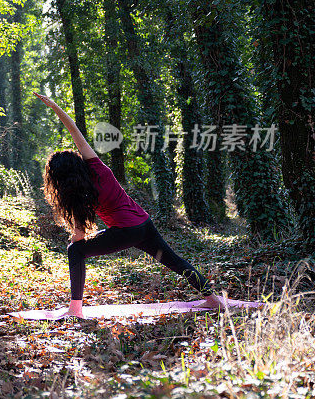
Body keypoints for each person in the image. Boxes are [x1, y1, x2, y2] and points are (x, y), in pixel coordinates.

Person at [34, 92, 227, 318]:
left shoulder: (77, 195)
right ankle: (212, 300)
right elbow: (75, 131)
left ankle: (75, 309)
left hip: (126, 231)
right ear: (77, 162)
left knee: (75, 250)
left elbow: (78, 236)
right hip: (144, 224)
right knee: (174, 261)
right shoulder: (97, 168)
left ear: (60, 180)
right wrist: (55, 107)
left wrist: (75, 239)